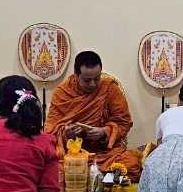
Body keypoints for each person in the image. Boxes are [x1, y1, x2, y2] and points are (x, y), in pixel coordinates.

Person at [44, 50, 142, 180]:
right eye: (87, 80)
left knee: (131, 164)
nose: (93, 84)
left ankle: (95, 176)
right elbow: (50, 130)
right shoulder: (62, 92)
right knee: (53, 169)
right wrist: (66, 133)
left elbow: (124, 123)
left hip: (105, 153)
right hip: (74, 155)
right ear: (76, 75)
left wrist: (104, 132)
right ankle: (104, 177)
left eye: (97, 78)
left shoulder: (110, 89)